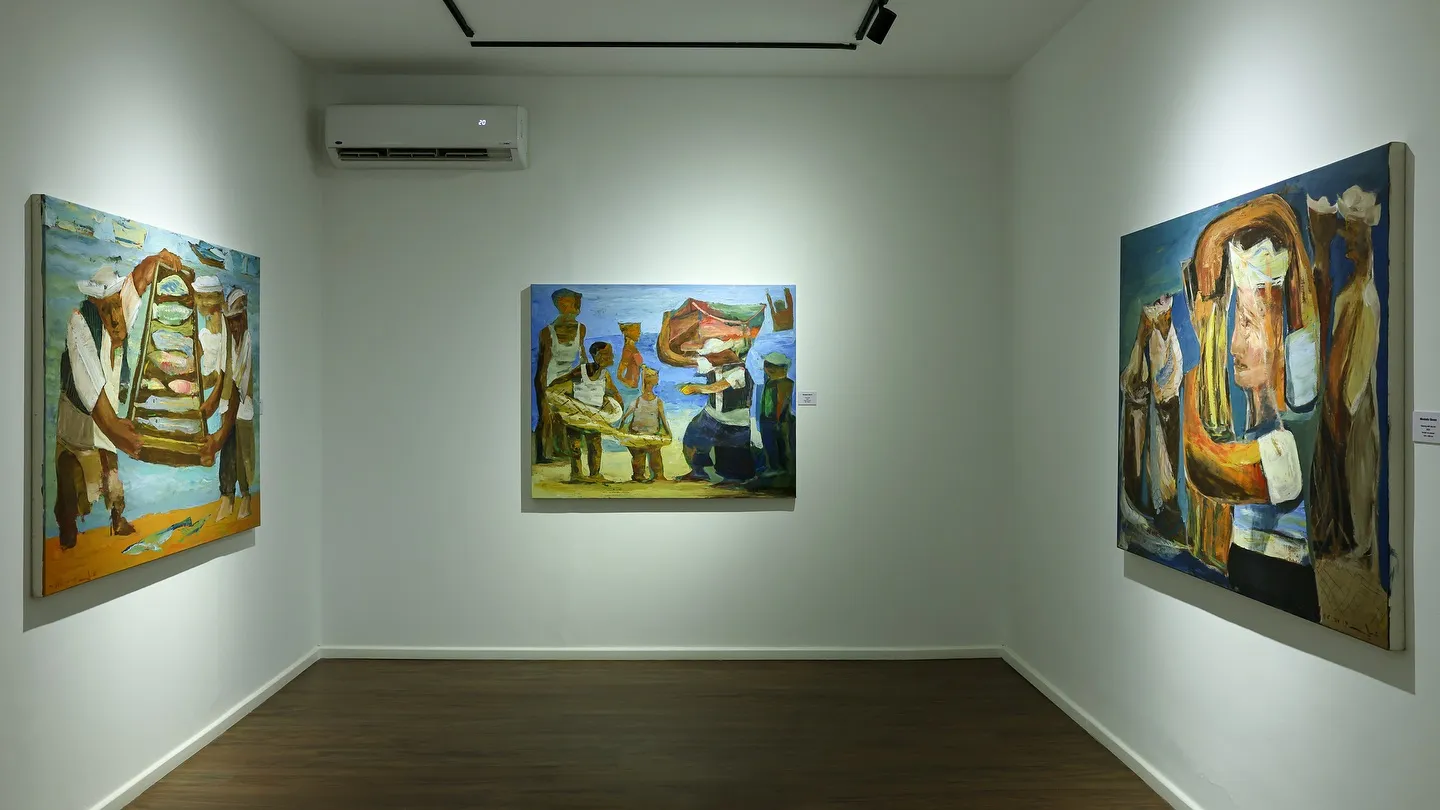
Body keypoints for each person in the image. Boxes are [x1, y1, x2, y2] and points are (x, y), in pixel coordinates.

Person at [1181, 194, 1321, 620]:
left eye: (1248, 323)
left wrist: (1193, 375)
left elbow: (1203, 465)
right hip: (1247, 578)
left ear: (1281, 333)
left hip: (1282, 590)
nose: (1235, 345)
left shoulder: (1290, 438)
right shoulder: (1256, 418)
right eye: (1235, 322)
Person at [54, 255, 165, 547]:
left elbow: (140, 279)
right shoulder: (79, 326)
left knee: (111, 472)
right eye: (106, 310)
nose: (116, 318)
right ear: (95, 308)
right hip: (78, 420)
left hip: (105, 416)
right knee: (74, 484)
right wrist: (118, 430)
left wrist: (161, 257)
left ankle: (117, 518)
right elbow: (92, 391)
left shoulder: (118, 313)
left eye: (117, 306)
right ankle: (66, 534)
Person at [1310, 186, 1383, 571]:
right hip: (1338, 402)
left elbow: (1359, 364)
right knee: (1340, 480)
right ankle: (1340, 541)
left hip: (1351, 408)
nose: (1347, 241)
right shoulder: (1349, 293)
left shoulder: (1366, 298)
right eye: (1347, 232)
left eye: (1352, 233)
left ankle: (1354, 547)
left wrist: (1344, 406)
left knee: (1356, 480)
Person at [1119, 292, 1183, 540]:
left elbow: (1167, 385)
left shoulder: (1171, 342)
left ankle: (1164, 511)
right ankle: (1151, 508)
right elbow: (1134, 384)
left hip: (1165, 411)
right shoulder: (1148, 337)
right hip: (1149, 411)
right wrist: (1143, 335)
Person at [659, 329, 756, 486]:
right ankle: (698, 471)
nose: (709, 360)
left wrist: (696, 388)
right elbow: (672, 358)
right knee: (692, 438)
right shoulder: (713, 362)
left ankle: (732, 479)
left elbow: (717, 387)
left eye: (712, 356)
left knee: (733, 459)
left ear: (724, 354)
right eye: (708, 357)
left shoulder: (740, 370)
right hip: (712, 414)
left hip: (735, 420)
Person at [202, 288, 256, 522]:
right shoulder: (228, 340)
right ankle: (227, 496)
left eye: (237, 320)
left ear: (244, 318)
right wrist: (212, 403)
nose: (234, 326)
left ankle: (245, 495)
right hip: (229, 403)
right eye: (230, 321)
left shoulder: (247, 343)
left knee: (243, 452)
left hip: (243, 405)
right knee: (228, 452)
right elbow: (223, 374)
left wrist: (220, 431)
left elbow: (238, 385)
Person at [548, 342, 622, 484]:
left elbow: (614, 392)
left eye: (610, 354)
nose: (610, 357)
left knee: (595, 445)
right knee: (575, 445)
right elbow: (564, 378)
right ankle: (576, 474)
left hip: (595, 416)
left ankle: (595, 474)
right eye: (606, 354)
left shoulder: (605, 375)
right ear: (595, 355)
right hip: (576, 414)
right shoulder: (581, 370)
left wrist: (618, 410)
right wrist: (552, 391)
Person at [533, 288, 588, 464]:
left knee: (567, 415)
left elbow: (583, 357)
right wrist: (543, 389)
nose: (567, 308)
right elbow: (543, 365)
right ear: (557, 305)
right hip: (549, 375)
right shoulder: (547, 332)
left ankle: (564, 451)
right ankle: (543, 455)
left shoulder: (581, 329)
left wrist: (587, 378)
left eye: (569, 304)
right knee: (547, 416)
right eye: (562, 304)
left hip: (568, 375)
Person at [620, 366, 671, 483]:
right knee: (641, 456)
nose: (657, 378)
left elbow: (663, 419)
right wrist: (621, 429)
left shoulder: (654, 401)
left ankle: (655, 475)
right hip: (637, 433)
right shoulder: (639, 400)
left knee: (653, 456)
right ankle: (642, 476)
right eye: (656, 376)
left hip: (651, 434)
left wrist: (668, 432)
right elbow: (625, 417)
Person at [756, 352, 795, 478]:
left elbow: (781, 403)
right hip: (768, 419)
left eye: (770, 366)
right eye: (766, 366)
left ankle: (779, 468)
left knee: (779, 444)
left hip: (777, 420)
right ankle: (775, 467)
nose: (767, 369)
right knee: (771, 444)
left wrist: (778, 420)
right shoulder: (770, 382)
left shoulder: (784, 383)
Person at [194, 275, 227, 396]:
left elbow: (215, 377)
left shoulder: (220, 328)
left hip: (210, 390)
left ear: (219, 298)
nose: (203, 303)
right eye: (199, 297)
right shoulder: (208, 318)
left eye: (209, 297)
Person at [617, 322, 644, 390]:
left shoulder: (633, 348)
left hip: (634, 387)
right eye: (636, 330)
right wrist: (627, 383)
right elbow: (619, 374)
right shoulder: (628, 350)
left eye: (639, 330)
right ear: (627, 333)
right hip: (629, 388)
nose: (639, 333)